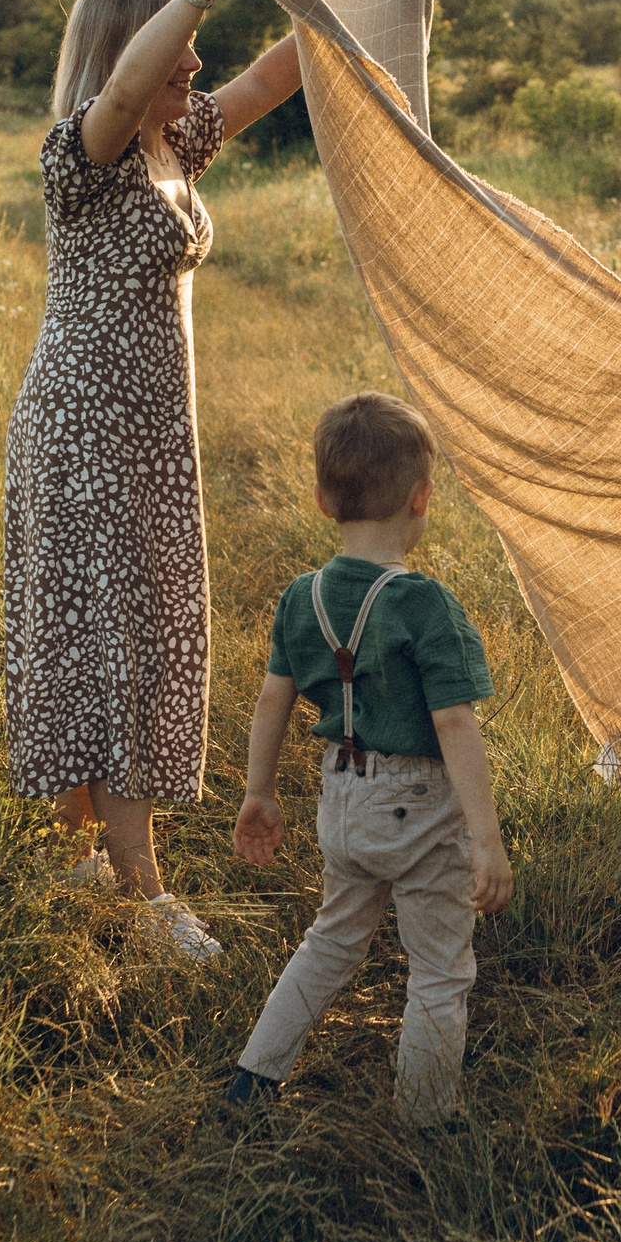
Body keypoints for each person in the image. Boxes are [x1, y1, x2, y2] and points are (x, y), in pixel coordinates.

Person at [2, 0, 301, 960]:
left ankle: (87, 860)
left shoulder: (178, 144)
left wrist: (341, 1)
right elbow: (125, 90)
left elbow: (269, 81)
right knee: (115, 642)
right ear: (137, 44)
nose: (198, 61)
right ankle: (142, 894)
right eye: (182, 43)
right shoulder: (79, 155)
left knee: (120, 634)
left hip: (146, 436)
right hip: (83, 433)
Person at [226, 392, 512, 1124]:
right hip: (419, 810)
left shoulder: (300, 597)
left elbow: (270, 700)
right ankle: (424, 1117)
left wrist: (259, 790)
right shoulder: (426, 605)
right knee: (441, 968)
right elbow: (454, 721)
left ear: (323, 500)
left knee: (330, 941)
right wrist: (485, 835)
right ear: (423, 498)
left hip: (341, 802)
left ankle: (254, 1076)